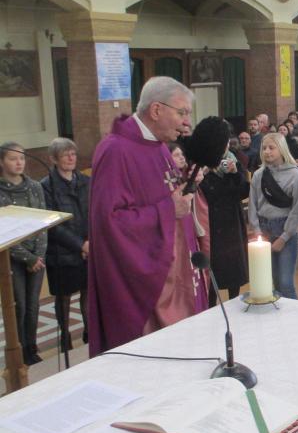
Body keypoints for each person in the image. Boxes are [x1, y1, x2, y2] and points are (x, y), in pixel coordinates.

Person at [87, 76, 207, 355]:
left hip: (177, 272)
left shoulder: (158, 147)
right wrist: (168, 209)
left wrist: (188, 183)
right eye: (182, 113)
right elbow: (110, 222)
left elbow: (164, 194)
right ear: (156, 110)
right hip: (147, 284)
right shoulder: (116, 150)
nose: (187, 122)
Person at [40, 138, 90, 351]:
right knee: (64, 297)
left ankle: (90, 330)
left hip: (88, 247)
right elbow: (53, 223)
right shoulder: (46, 185)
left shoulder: (85, 181)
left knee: (88, 291)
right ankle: (64, 335)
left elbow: (93, 212)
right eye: (65, 154)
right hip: (61, 251)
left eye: (73, 154)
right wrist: (80, 244)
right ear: (54, 159)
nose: (71, 158)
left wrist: (90, 242)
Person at [0, 142, 47, 365]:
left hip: (37, 256)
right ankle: (19, 351)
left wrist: (38, 256)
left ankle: (32, 348)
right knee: (19, 305)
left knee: (34, 305)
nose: (19, 162)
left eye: (22, 158)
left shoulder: (35, 187)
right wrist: (28, 258)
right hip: (12, 259)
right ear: (2, 162)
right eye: (12, 158)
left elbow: (44, 222)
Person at [250, 133, 298, 300]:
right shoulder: (259, 175)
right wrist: (257, 231)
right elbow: (253, 205)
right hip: (264, 229)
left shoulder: (295, 175)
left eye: (271, 148)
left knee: (286, 283)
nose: (267, 151)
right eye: (264, 148)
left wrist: (285, 236)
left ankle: (295, 320)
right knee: (272, 282)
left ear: (281, 150)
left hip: (285, 229)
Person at [200, 140, 249, 306]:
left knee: (232, 269)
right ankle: (210, 308)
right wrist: (204, 173)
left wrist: (234, 173)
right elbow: (199, 193)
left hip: (232, 222)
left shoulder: (234, 162)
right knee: (213, 270)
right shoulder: (201, 165)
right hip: (211, 223)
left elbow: (243, 191)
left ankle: (234, 304)